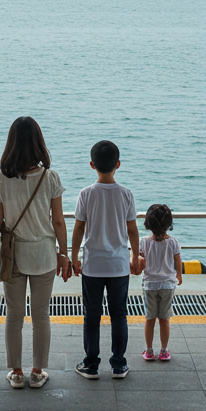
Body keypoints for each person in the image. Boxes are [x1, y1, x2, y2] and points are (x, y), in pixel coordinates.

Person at [0, 116, 70, 389]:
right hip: (44, 253)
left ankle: (17, 372)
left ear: (10, 143)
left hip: (13, 257)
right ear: (38, 143)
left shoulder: (0, 179)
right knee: (41, 315)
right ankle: (37, 372)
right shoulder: (50, 177)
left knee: (13, 315)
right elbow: (58, 221)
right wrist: (64, 254)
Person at [70, 139, 141, 380]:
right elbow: (132, 230)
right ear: (118, 164)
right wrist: (135, 255)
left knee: (92, 315)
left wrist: (73, 256)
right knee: (119, 314)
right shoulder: (126, 194)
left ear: (92, 165)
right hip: (119, 265)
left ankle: (91, 364)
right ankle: (119, 364)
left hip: (93, 265)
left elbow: (79, 228)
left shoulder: (86, 194)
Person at [138, 203, 182, 362]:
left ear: (148, 224)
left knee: (150, 319)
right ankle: (164, 351)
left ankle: (149, 351)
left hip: (150, 285)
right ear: (169, 223)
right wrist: (179, 275)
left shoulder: (144, 242)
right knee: (164, 319)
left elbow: (139, 260)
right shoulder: (173, 243)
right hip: (167, 285)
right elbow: (178, 261)